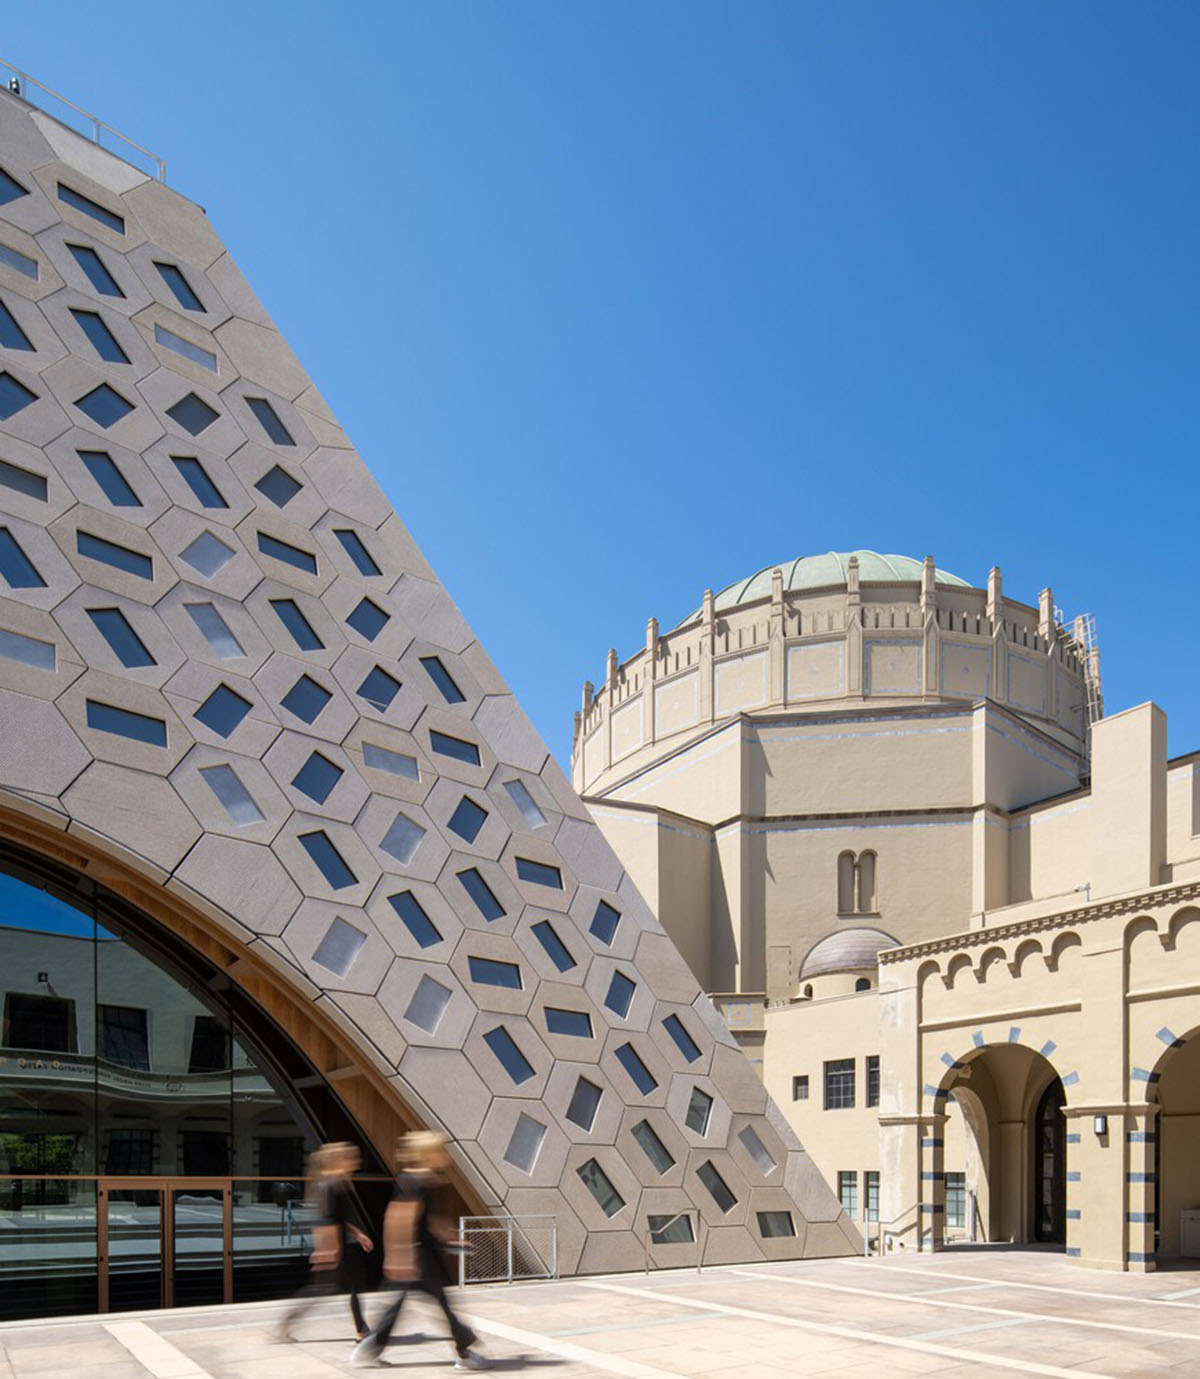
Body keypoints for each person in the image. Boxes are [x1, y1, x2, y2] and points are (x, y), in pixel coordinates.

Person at [351, 1130, 489, 1370]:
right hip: (417, 1257)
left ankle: (371, 1348)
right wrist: (400, 1258)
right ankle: (464, 1352)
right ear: (428, 1154)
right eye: (441, 1150)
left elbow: (429, 1220)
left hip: (421, 1255)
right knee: (440, 1305)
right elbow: (397, 1220)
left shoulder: (423, 1180)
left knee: (404, 1307)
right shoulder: (413, 1182)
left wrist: (452, 1239)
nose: (446, 1155)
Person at [276, 1141, 374, 1343]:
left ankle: (361, 1329)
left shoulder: (338, 1182)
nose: (356, 1160)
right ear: (339, 1160)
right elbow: (325, 1220)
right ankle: (287, 1322)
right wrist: (328, 1250)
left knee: (351, 1286)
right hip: (336, 1247)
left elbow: (338, 1218)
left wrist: (357, 1234)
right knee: (322, 1289)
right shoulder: (330, 1185)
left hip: (340, 1245)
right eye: (351, 1157)